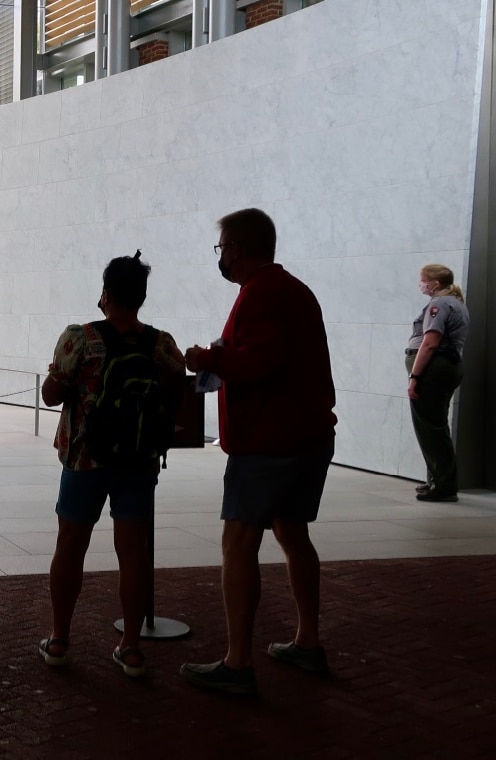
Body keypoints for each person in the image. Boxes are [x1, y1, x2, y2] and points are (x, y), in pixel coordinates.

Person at [180, 209, 337, 696]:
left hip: (269, 442)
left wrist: (208, 359)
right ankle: (307, 642)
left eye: (222, 248)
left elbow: (259, 361)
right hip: (306, 437)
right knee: (293, 533)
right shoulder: (293, 290)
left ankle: (237, 663)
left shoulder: (263, 294)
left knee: (239, 544)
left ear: (240, 249)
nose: (221, 257)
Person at [38, 252, 185, 678]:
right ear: (140, 297)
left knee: (70, 547)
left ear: (105, 295)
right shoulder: (160, 343)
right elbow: (178, 389)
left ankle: (60, 640)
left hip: (85, 457)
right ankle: (132, 648)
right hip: (138, 462)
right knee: (133, 554)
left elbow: (50, 394)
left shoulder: (80, 339)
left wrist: (61, 378)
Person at [406, 264, 469, 502]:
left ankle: (443, 485)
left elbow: (430, 343)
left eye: (423, 280)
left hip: (434, 368)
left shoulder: (439, 305)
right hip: (447, 366)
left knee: (430, 429)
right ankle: (437, 480)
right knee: (436, 426)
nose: (420, 283)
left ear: (435, 283)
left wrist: (415, 377)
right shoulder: (456, 302)